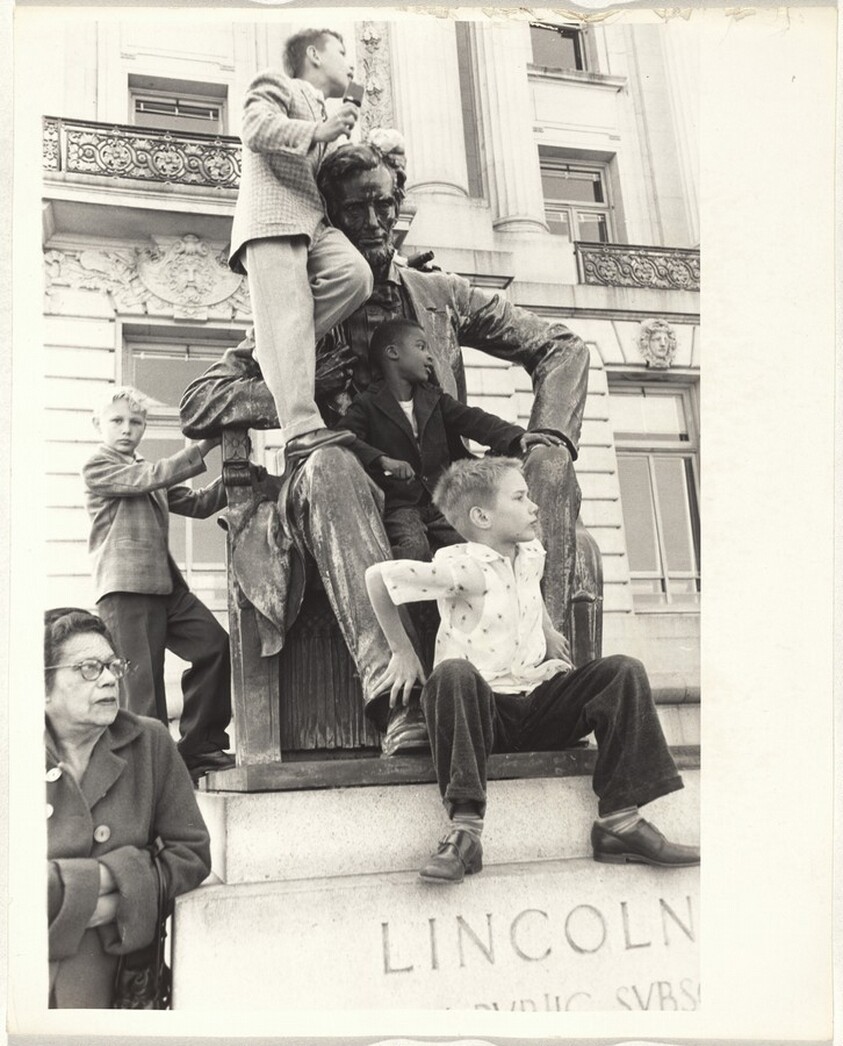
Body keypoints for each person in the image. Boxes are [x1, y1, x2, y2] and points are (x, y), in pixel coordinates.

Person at [180, 134, 589, 755]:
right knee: (331, 464)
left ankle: (538, 673)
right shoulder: (301, 304)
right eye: (354, 211)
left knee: (551, 466)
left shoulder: (440, 296)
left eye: (384, 206)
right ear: (327, 218)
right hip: (342, 493)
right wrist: (298, 386)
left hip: (444, 492)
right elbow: (199, 403)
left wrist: (547, 437)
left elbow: (564, 347)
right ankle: (396, 700)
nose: (374, 223)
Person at [365, 457, 700, 883]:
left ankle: (621, 821)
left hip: (535, 702)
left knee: (623, 671)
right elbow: (377, 578)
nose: (535, 506)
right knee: (451, 674)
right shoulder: (464, 568)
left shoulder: (529, 552)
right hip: (484, 718)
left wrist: (545, 627)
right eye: (520, 497)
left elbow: (525, 585)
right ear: (482, 517)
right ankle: (465, 833)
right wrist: (401, 651)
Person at [44, 608, 211, 1007]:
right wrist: (114, 882)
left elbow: (191, 856)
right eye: (87, 668)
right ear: (42, 688)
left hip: (117, 983)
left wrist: (119, 899)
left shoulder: (148, 741)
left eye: (111, 666)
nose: (107, 679)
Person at [229, 27, 373, 462]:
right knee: (287, 320)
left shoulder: (328, 117)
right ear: (313, 54)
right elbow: (254, 127)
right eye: (342, 51)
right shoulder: (276, 83)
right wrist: (320, 128)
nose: (350, 62)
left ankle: (268, 343)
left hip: (314, 221)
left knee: (356, 275)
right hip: (273, 220)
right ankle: (301, 428)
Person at [83, 387, 233, 781]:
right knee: (143, 690)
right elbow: (148, 478)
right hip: (127, 590)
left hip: (166, 587)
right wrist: (202, 448)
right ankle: (150, 777)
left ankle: (200, 745)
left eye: (136, 422)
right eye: (117, 421)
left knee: (215, 646)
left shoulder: (146, 469)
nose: (126, 429)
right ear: (98, 424)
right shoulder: (99, 466)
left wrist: (237, 474)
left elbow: (199, 504)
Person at [337, 317, 562, 560]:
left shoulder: (434, 399)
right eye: (421, 347)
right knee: (414, 549)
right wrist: (382, 460)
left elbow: (474, 420)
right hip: (401, 505)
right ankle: (393, 592)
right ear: (393, 353)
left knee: (477, 547)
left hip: (440, 501)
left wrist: (516, 436)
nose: (430, 357)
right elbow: (344, 438)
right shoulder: (368, 404)